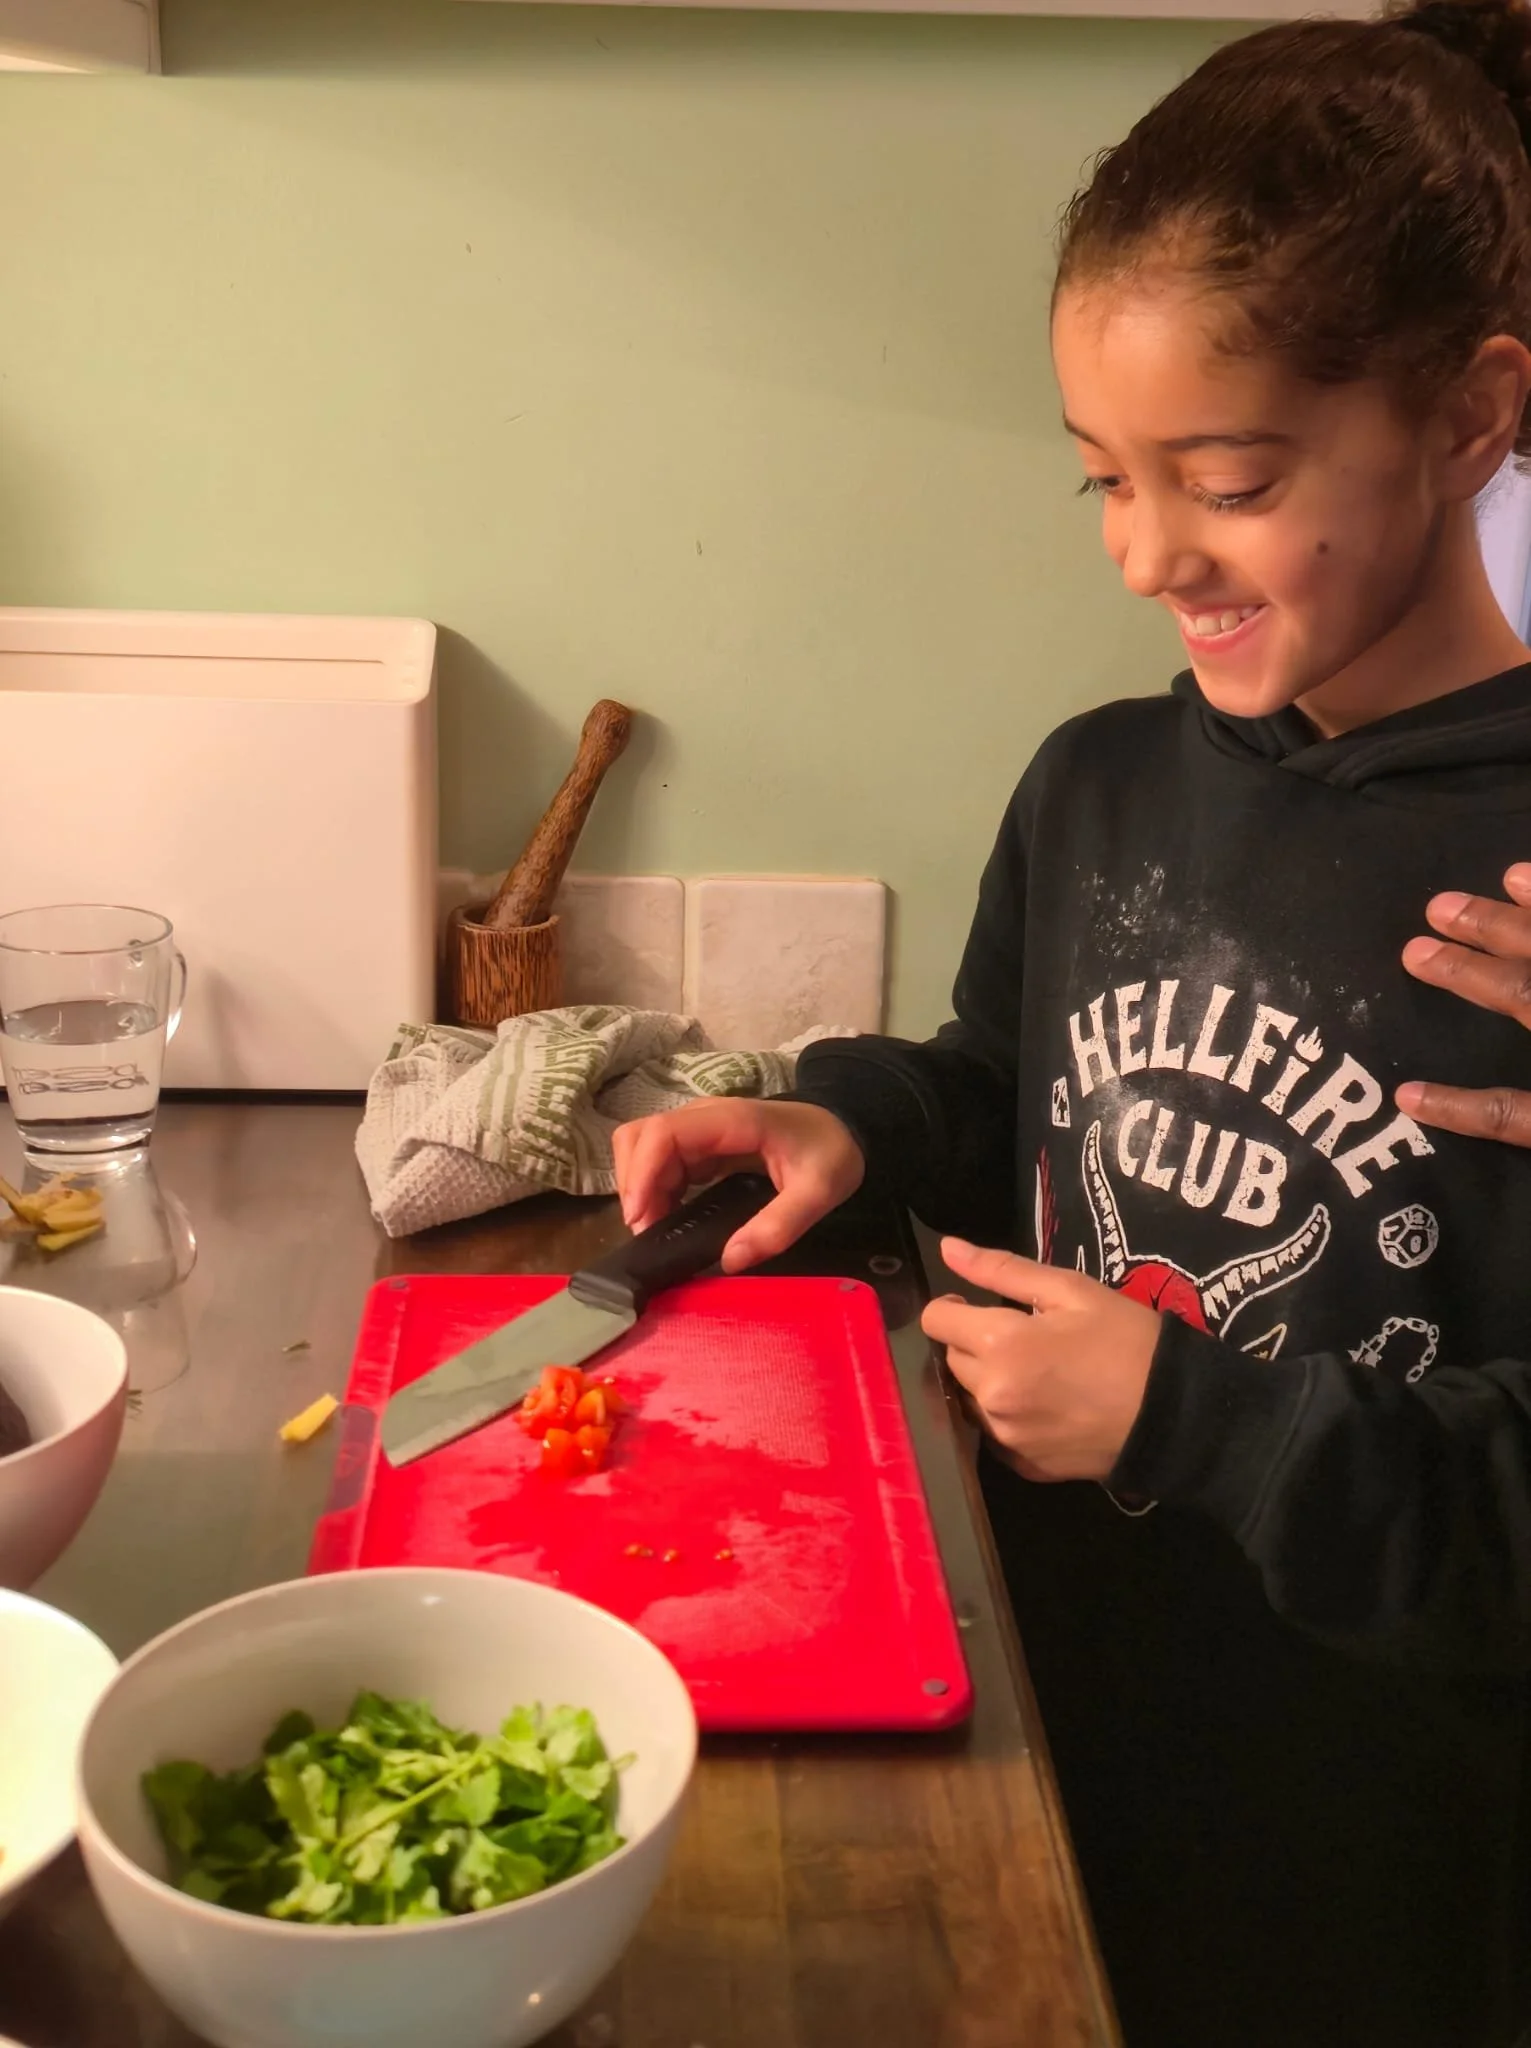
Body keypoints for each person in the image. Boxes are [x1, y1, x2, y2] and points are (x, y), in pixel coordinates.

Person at [615, 3, 1531, 2042]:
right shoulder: (1102, 780)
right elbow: (1006, 1092)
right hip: (1048, 1703)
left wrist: (1187, 1418)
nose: (1144, 551)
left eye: (1225, 476)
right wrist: (848, 1120)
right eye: (1103, 478)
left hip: (1389, 1843)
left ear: (1472, 419)